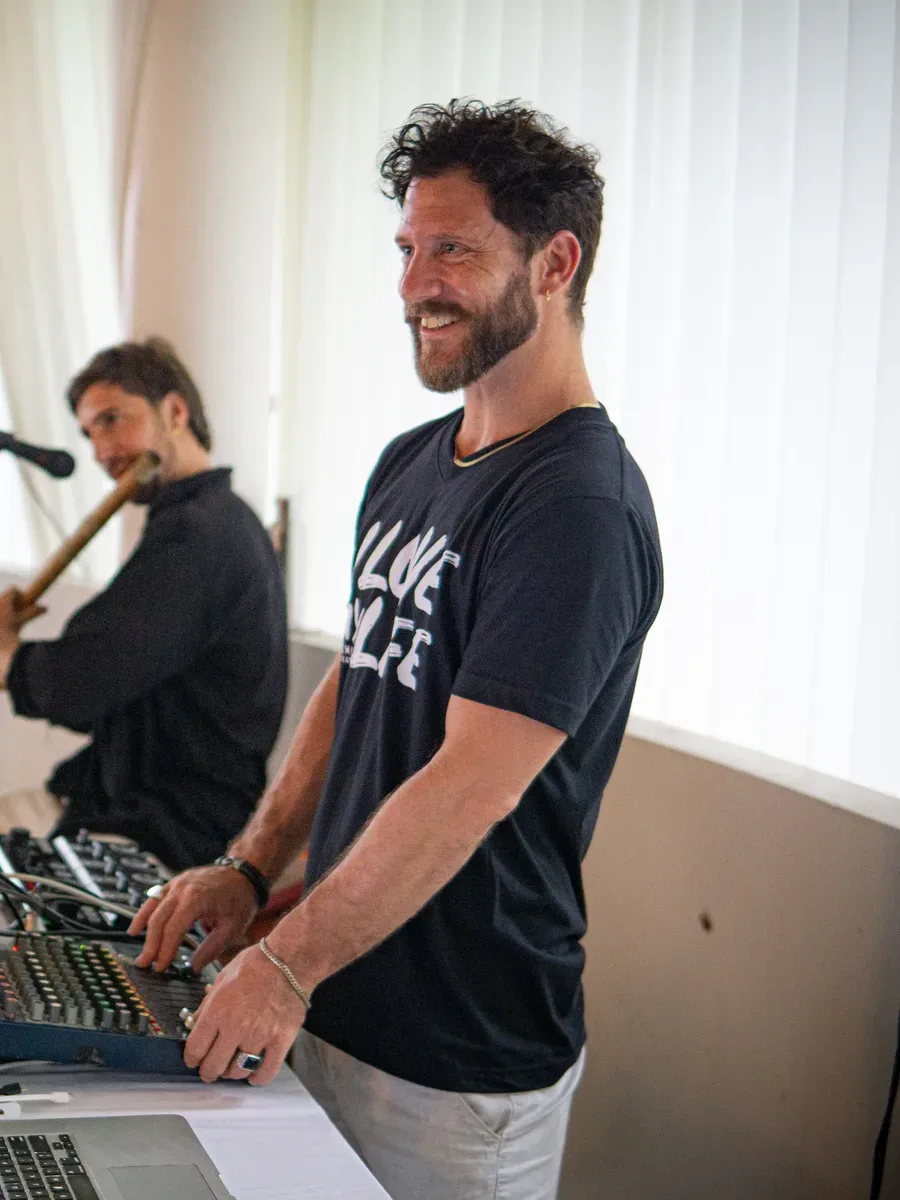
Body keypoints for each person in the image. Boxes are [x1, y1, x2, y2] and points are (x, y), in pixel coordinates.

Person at [130, 101, 663, 1199]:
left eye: (455, 248)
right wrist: (250, 868)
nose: (418, 281)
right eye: (409, 248)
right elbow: (357, 682)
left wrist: (284, 960)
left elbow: (471, 784)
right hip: (331, 996)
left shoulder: (577, 505)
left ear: (555, 262)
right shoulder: (411, 461)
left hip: (456, 1066)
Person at [0, 339, 288, 871]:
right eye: (90, 434)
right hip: (126, 798)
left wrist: (9, 656)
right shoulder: (205, 520)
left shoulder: (199, 537)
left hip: (167, 829)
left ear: (175, 411)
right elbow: (120, 682)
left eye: (113, 421)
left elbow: (78, 685)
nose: (102, 452)